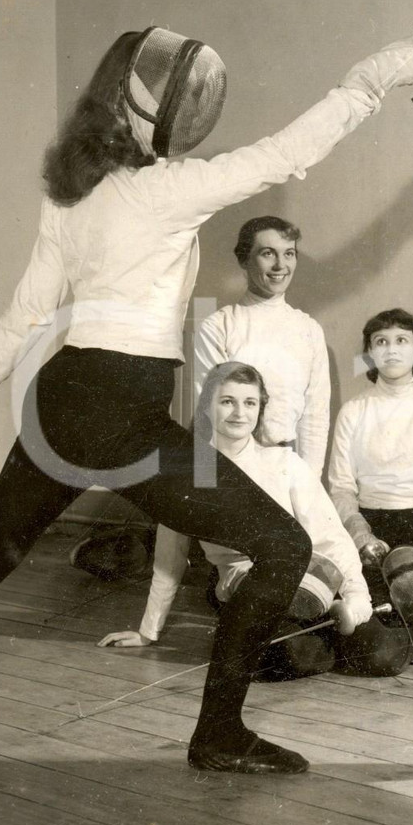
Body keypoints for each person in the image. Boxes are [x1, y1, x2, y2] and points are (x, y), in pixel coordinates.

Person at [0, 23, 413, 776]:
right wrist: (392, 67)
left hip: (62, 398)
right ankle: (219, 732)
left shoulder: (71, 194)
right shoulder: (165, 191)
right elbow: (290, 150)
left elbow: (28, 308)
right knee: (282, 543)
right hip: (122, 409)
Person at [98, 362, 411, 680]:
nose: (238, 413)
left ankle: (357, 624)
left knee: (381, 657)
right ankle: (323, 636)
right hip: (247, 593)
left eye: (249, 402)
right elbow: (169, 560)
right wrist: (148, 630)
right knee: (289, 655)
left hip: (313, 580)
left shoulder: (284, 463)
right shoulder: (188, 475)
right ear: (208, 406)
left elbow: (330, 537)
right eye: (227, 401)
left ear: (261, 408)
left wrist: (357, 598)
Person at [133, 214, 331, 644]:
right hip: (232, 468)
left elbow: (315, 418)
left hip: (285, 470)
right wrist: (149, 631)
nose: (280, 266)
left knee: (318, 585)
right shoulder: (219, 325)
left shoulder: (309, 331)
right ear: (245, 260)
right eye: (267, 253)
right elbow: (217, 413)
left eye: (289, 254)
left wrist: (307, 492)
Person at [327, 308, 413, 659]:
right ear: (370, 352)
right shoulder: (354, 411)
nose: (391, 349)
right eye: (381, 341)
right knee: (373, 644)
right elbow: (341, 488)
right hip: (368, 535)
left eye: (401, 340)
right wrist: (361, 538)